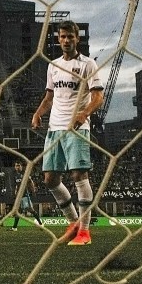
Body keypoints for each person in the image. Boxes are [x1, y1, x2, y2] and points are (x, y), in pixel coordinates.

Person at [31, 20, 104, 246]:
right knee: (50, 179)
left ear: (77, 39)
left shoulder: (88, 65)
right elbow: (49, 97)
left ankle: (85, 231)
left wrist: (84, 114)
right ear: (58, 39)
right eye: (62, 37)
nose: (65, 40)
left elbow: (98, 97)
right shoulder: (53, 65)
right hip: (55, 128)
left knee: (78, 175)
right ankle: (73, 223)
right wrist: (37, 113)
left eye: (70, 37)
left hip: (77, 128)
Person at [8, 161, 42, 230]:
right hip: (19, 196)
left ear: (21, 166)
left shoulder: (24, 174)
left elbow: (30, 182)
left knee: (31, 210)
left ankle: (40, 223)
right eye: (16, 166)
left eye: (18, 165)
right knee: (18, 211)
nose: (17, 167)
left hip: (25, 195)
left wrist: (33, 191)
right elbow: (17, 186)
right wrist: (15, 193)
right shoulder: (15, 175)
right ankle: (14, 227)